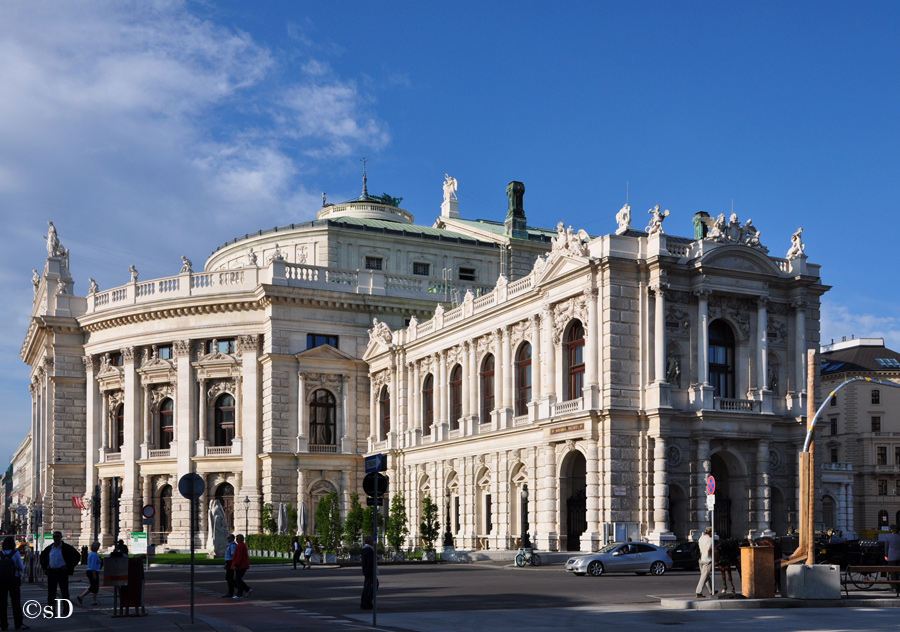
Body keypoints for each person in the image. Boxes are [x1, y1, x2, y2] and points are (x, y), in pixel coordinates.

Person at [39, 531, 80, 608]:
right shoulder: (49, 548)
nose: (56, 538)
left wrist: (68, 566)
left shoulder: (66, 547)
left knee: (64, 592)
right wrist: (45, 566)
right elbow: (42, 558)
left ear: (61, 537)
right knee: (51, 593)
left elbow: (77, 556)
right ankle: (51, 610)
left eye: (57, 537)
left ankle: (66, 610)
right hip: (52, 572)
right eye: (54, 537)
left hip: (62, 572)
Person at [0, 535, 29, 630]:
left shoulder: (0, 554)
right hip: (13, 580)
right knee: (16, 602)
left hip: (2, 581)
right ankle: (18, 624)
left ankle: (3, 625)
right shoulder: (15, 554)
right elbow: (21, 567)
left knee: (2, 603)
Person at [76, 542, 101, 607]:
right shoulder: (94, 555)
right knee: (94, 586)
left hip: (90, 571)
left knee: (94, 586)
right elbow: (93, 565)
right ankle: (81, 597)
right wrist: (94, 574)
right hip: (93, 571)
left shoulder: (91, 554)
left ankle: (94, 600)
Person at [231, 534, 252, 599]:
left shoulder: (240, 546)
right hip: (242, 565)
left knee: (238, 579)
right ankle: (247, 589)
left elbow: (239, 556)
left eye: (237, 539)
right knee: (238, 579)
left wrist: (236, 564)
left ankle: (240, 594)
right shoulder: (242, 545)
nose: (236, 540)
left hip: (241, 565)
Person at [695, 526, 714, 598]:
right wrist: (713, 552)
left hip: (701, 559)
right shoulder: (710, 539)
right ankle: (698, 592)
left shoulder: (701, 538)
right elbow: (709, 549)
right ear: (711, 532)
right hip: (707, 560)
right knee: (704, 576)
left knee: (706, 576)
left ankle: (711, 591)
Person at [360, 535, 376, 609]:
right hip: (369, 571)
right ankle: (366, 602)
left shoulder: (365, 549)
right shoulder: (368, 550)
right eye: (372, 540)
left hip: (367, 570)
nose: (373, 542)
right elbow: (369, 561)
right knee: (368, 586)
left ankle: (367, 602)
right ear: (369, 541)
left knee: (369, 586)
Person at [884, 524, 900, 597]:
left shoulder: (888, 536)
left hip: (892, 557)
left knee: (893, 572)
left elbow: (886, 547)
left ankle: (895, 587)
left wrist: (886, 555)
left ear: (892, 530)